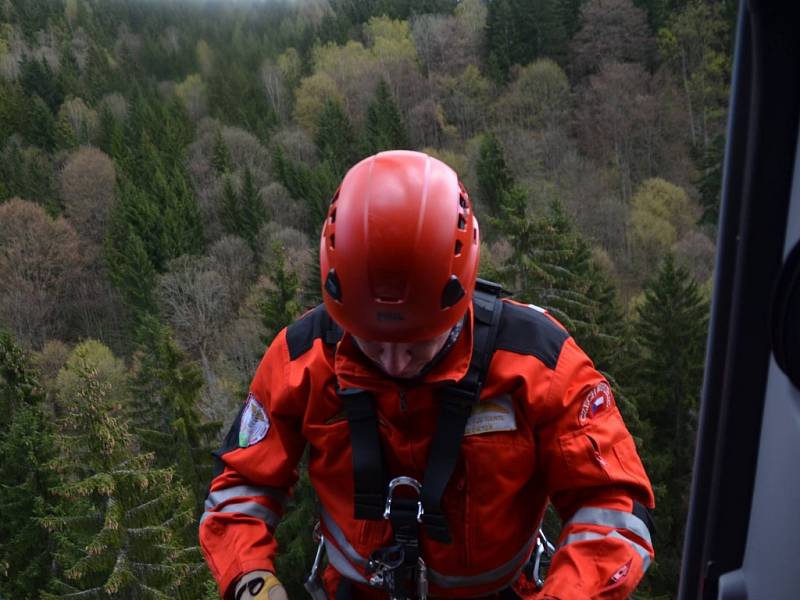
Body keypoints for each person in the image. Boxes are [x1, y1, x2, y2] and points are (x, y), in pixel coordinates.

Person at [199, 150, 655, 600]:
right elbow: (243, 484)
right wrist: (251, 582)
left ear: (460, 299)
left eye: (418, 343)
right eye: (371, 343)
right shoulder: (303, 359)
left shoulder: (538, 362)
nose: (395, 364)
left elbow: (612, 504)